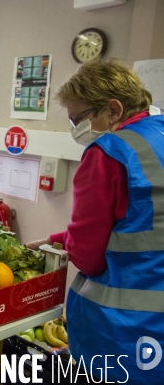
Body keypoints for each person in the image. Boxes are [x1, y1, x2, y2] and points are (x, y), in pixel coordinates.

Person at [26, 59, 163, 383]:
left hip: (125, 330)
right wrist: (61, 236)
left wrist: (68, 242)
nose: (76, 130)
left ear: (113, 110)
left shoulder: (108, 152)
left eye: (79, 119)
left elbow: (88, 257)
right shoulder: (157, 136)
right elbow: (142, 225)